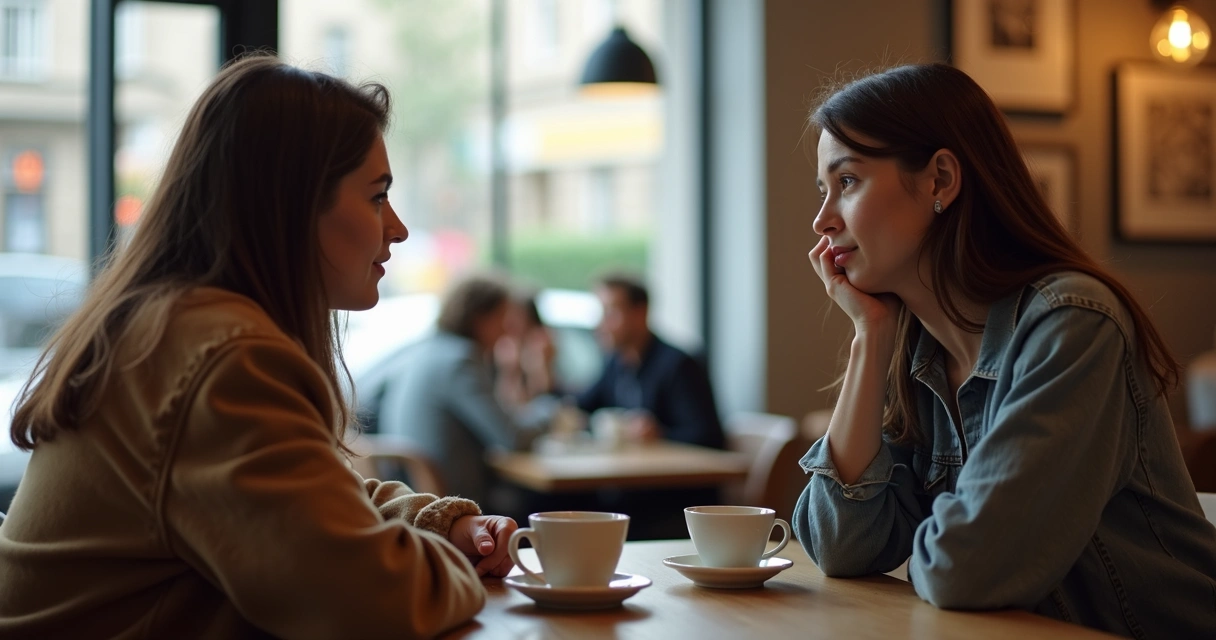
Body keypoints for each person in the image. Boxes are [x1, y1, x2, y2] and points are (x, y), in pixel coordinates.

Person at [0, 54, 517, 639]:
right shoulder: (220, 357)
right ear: (292, 206)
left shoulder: (174, 328)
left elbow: (310, 506)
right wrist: (454, 561)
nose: (396, 228)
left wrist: (437, 526)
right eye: (377, 198)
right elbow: (370, 600)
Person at [794, 62, 1216, 638]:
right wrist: (870, 336)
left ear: (940, 180)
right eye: (824, 191)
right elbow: (843, 545)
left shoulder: (1073, 324)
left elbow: (966, 572)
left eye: (847, 181)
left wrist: (931, 549)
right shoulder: (916, 349)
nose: (821, 222)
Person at [361, 273, 556, 513]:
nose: (507, 332)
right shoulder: (460, 361)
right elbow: (512, 438)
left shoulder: (428, 351)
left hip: (415, 496)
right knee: (563, 502)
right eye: (503, 319)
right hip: (455, 504)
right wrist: (549, 409)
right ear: (480, 318)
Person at [577, 273, 725, 449]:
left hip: (672, 466)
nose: (601, 324)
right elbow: (582, 406)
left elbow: (708, 436)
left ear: (640, 312)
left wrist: (660, 434)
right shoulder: (616, 364)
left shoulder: (677, 365)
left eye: (611, 313)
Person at [493, 290, 559, 406]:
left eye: (517, 315)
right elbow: (505, 397)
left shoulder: (541, 342)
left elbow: (543, 389)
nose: (510, 321)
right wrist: (510, 372)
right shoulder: (506, 344)